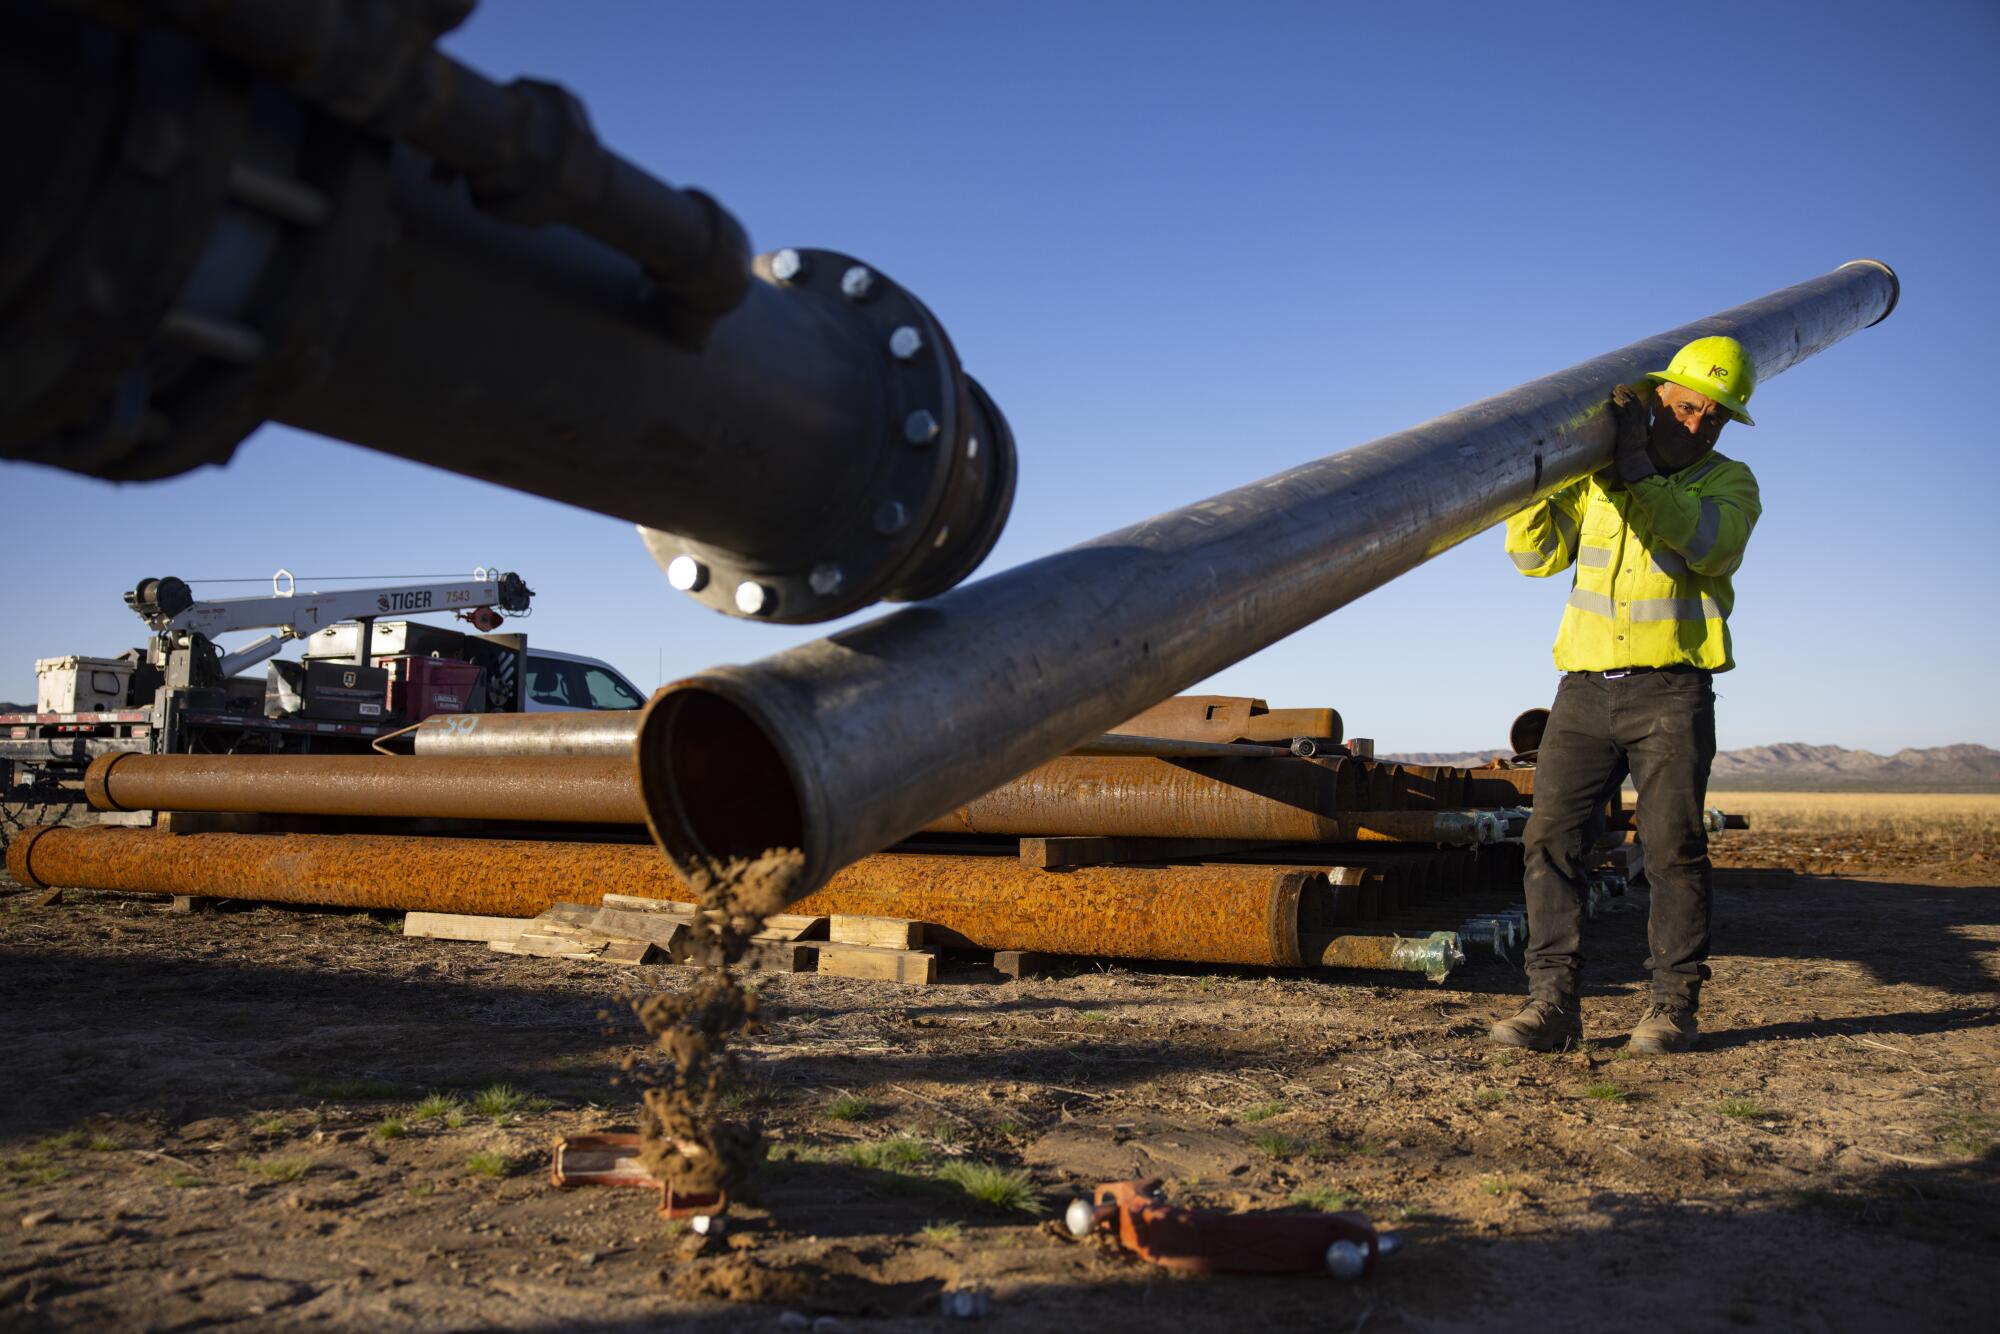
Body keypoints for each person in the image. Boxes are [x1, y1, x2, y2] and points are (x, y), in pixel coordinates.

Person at [1490, 336, 1763, 1054]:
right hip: (1582, 692)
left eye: (1714, 416)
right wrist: (1539, 477)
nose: (1698, 424)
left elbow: (1707, 543)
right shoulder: (1596, 481)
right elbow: (1533, 559)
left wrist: (1637, 468)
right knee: (1550, 842)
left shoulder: (1730, 484)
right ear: (1656, 399)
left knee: (1672, 849)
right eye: (1685, 407)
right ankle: (1551, 1005)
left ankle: (1672, 1007)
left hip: (1671, 693)